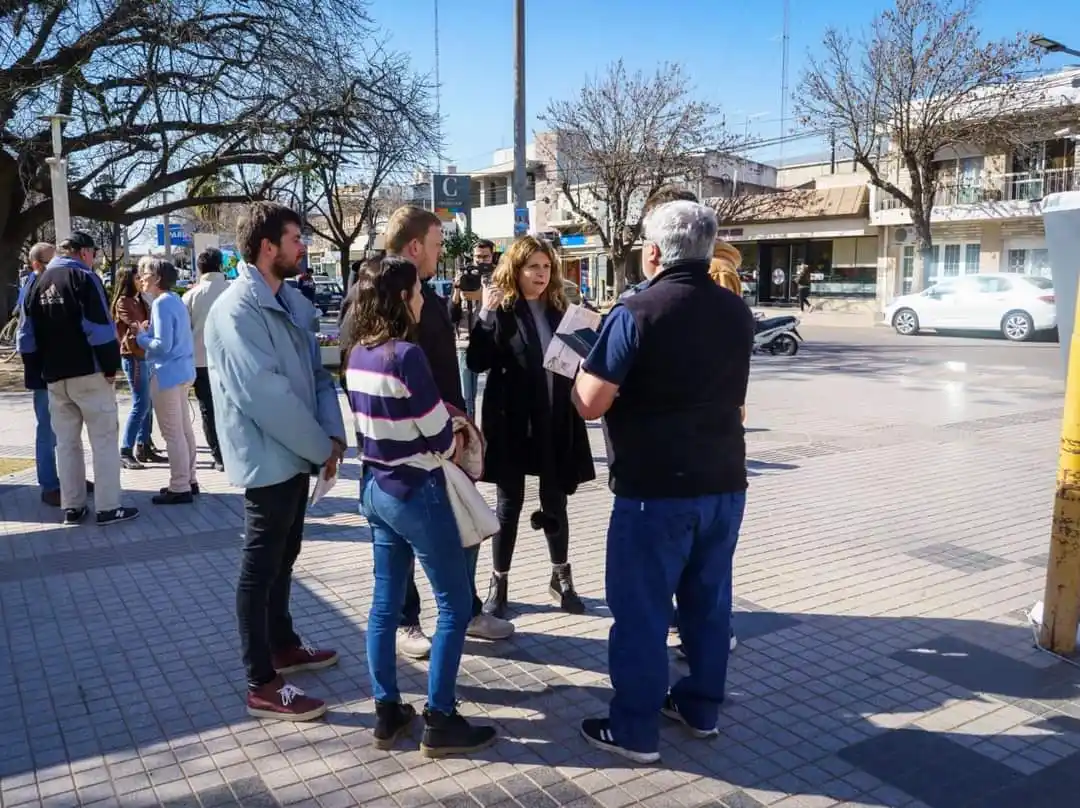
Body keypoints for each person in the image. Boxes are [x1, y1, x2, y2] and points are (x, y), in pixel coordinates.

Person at [572, 201, 754, 763]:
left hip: (655, 490)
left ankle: (634, 730)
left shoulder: (636, 312)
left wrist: (580, 369)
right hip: (724, 480)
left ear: (653, 252)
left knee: (643, 612)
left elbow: (589, 402)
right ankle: (700, 708)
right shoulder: (736, 310)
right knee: (708, 604)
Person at [343, 254, 497, 757]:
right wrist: (457, 431)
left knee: (384, 605)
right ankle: (441, 716)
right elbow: (438, 437)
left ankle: (386, 711)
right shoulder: (406, 356)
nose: (422, 300)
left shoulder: (357, 354)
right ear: (402, 297)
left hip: (376, 488)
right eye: (417, 292)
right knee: (454, 603)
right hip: (417, 491)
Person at [205, 202, 346, 721]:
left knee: (286, 552)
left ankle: (282, 644)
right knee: (260, 565)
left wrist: (333, 434)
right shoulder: (237, 310)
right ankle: (261, 682)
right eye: (295, 238)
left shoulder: (289, 300)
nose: (303, 246)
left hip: (299, 451)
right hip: (268, 456)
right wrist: (320, 447)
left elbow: (318, 374)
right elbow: (265, 397)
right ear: (268, 247)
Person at [379, 206, 513, 658]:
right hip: (409, 445)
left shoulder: (428, 293)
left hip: (447, 434)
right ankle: (406, 620)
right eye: (437, 245)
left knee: (467, 523)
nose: (442, 253)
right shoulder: (379, 293)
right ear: (415, 246)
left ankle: (466, 609)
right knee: (402, 540)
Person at [467, 235, 595, 618]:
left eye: (546, 267)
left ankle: (561, 577)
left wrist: (590, 340)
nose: (541, 274)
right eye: (533, 267)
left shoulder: (561, 309)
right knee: (509, 505)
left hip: (555, 419)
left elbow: (580, 361)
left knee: (555, 500)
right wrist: (486, 314)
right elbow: (476, 361)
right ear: (516, 269)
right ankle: (499, 581)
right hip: (512, 424)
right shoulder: (503, 310)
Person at [16, 231, 137, 526]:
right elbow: (100, 328)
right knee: (103, 440)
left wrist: (37, 372)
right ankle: (108, 507)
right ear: (83, 252)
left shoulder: (35, 282)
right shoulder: (84, 278)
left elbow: (25, 337)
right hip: (89, 371)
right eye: (93, 253)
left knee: (66, 443)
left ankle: (72, 506)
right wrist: (111, 367)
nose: (93, 258)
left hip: (54, 376)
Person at [18, 242, 94, 507]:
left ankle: (71, 478)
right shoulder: (33, 287)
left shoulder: (56, 282)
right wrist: (36, 366)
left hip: (62, 367)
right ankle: (50, 484)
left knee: (68, 425)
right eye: (50, 261)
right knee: (48, 428)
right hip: (44, 370)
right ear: (36, 264)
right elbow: (25, 336)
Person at [135, 259, 198, 505]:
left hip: (167, 373)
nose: (142, 277)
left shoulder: (161, 303)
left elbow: (163, 345)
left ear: (158, 278)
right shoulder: (175, 300)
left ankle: (180, 485)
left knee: (172, 432)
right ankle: (189, 479)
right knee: (183, 429)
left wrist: (141, 338)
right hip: (182, 371)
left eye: (146, 273)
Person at [183, 248, 229, 471]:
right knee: (232, 408)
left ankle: (218, 456)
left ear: (199, 268)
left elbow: (184, 332)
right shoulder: (234, 291)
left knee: (208, 409)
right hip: (231, 361)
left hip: (200, 361)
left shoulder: (190, 296)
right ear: (220, 265)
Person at [111, 265, 155, 470]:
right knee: (141, 403)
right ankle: (125, 450)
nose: (140, 281)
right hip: (133, 356)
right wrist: (143, 326)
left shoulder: (139, 300)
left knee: (147, 403)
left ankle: (143, 445)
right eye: (137, 277)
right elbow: (136, 325)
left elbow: (146, 324)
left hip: (144, 354)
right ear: (128, 280)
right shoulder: (123, 302)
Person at [451, 238, 496, 420]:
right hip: (465, 342)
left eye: (485, 257)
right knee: (467, 399)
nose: (481, 261)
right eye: (478, 257)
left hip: (492, 343)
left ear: (492, 256)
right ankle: (471, 433)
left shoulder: (500, 277)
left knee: (494, 397)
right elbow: (451, 315)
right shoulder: (465, 276)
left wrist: (485, 294)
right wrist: (457, 290)